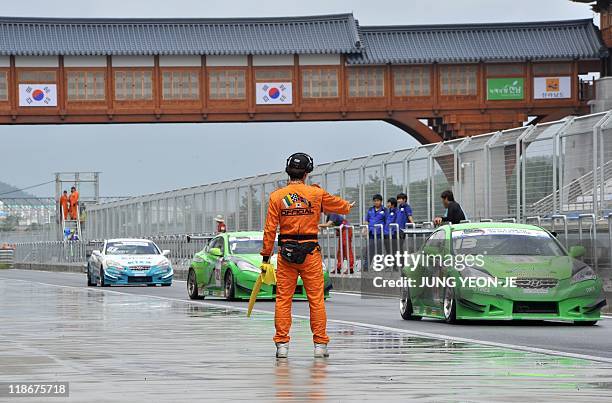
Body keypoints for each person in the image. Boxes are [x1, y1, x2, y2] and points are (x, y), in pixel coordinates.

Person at [260, 152, 354, 359]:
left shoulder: (276, 196)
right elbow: (339, 206)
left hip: (286, 253)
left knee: (283, 300)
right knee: (316, 300)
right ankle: (320, 345)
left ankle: (282, 345)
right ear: (306, 173)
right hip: (311, 252)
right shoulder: (316, 194)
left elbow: (269, 230)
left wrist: (266, 256)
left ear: (288, 172)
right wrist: (347, 206)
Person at [364, 194, 386, 267]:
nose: (376, 202)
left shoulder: (385, 210)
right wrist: (365, 228)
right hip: (371, 233)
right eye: (375, 201)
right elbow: (367, 220)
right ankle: (366, 266)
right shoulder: (370, 209)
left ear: (381, 201)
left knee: (379, 250)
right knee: (369, 249)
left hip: (380, 233)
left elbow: (387, 221)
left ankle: (378, 265)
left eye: (378, 201)